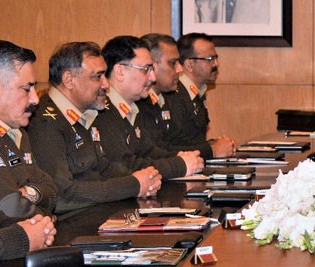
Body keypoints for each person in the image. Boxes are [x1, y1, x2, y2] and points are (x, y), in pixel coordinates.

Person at [28, 42, 162, 213]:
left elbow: (104, 168)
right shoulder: (44, 124)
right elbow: (62, 195)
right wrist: (134, 185)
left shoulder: (84, 115)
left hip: (96, 212)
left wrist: (147, 178)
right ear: (69, 80)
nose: (106, 84)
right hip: (72, 222)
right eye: (98, 76)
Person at [93, 36, 203, 179]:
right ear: (120, 71)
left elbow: (148, 151)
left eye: (152, 69)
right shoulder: (102, 112)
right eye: (145, 69)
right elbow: (124, 166)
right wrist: (178, 165)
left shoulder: (131, 108)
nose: (152, 78)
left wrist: (181, 156)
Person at [0, 40, 56, 260]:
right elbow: (8, 207)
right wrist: (40, 226)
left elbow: (51, 190)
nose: (35, 99)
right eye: (26, 88)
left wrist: (30, 193)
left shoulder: (16, 133)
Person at [138, 33, 235, 159]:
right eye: (173, 63)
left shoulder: (160, 99)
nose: (179, 69)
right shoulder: (150, 100)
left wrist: (212, 145)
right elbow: (158, 151)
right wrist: (211, 150)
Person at [164, 33, 235, 151]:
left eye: (216, 58)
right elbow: (171, 147)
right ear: (190, 64)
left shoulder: (197, 93)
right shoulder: (174, 95)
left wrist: (215, 144)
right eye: (210, 59)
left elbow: (193, 141)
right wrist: (212, 150)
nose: (216, 64)